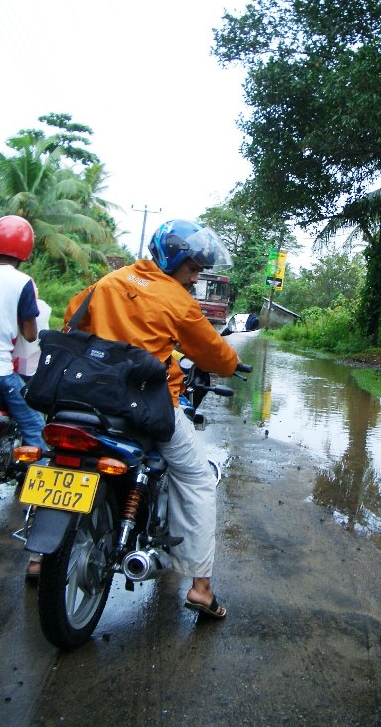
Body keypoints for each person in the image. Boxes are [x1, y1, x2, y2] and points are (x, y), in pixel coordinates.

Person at [64, 219, 240, 619]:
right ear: (172, 260)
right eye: (192, 269)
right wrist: (232, 363)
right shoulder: (177, 301)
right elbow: (215, 354)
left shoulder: (110, 281)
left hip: (91, 397)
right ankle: (201, 587)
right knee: (197, 478)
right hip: (145, 407)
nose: (194, 278)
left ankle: (41, 560)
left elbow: (72, 320)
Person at [0, 215, 48, 581]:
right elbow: (30, 332)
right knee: (40, 438)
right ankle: (39, 545)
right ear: (26, 250)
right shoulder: (23, 283)